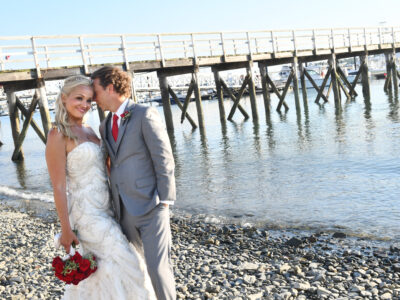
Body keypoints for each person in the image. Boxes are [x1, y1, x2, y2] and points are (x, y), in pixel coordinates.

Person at [45, 75, 155, 299]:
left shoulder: (90, 130)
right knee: (129, 262)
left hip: (108, 210)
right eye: (78, 98)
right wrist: (66, 230)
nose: (84, 105)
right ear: (64, 98)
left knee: (105, 271)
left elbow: (107, 170)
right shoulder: (58, 134)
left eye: (89, 100)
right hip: (86, 217)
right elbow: (58, 187)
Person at [91, 66, 176, 300]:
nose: (93, 99)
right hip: (123, 210)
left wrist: (165, 200)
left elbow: (163, 157)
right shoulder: (104, 126)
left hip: (151, 205)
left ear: (110, 88)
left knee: (158, 269)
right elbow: (111, 164)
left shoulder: (144, 114)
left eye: (96, 92)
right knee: (134, 268)